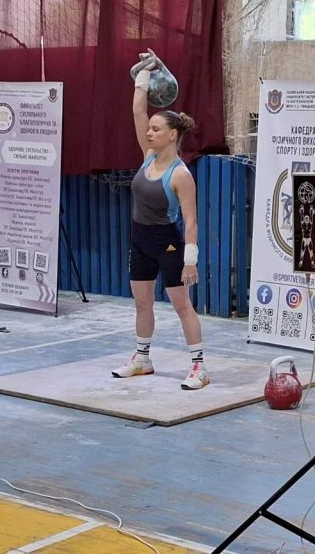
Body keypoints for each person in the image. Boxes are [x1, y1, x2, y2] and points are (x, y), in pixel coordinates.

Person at [112, 49, 208, 390]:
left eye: (156, 129)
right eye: (149, 129)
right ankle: (142, 359)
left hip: (168, 243)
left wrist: (190, 260)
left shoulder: (181, 175)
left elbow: (191, 221)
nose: (149, 132)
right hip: (140, 240)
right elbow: (138, 109)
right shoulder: (147, 156)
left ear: (172, 135)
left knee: (182, 306)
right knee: (142, 302)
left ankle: (198, 367)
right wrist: (146, 71)